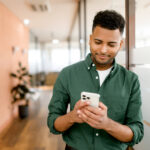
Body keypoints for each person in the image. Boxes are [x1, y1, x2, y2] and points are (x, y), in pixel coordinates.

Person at [47, 10, 144, 150]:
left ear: (121, 44)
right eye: (98, 42)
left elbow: (137, 132)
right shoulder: (67, 74)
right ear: (90, 39)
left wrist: (107, 124)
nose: (103, 50)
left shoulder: (131, 80)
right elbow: (53, 123)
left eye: (111, 44)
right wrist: (73, 117)